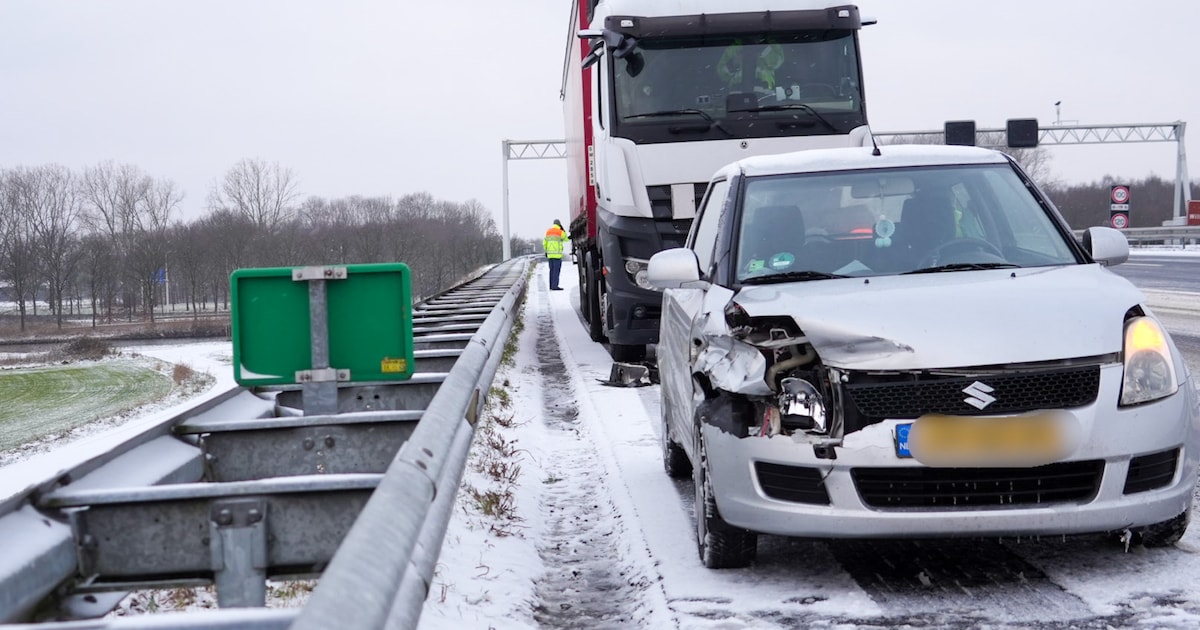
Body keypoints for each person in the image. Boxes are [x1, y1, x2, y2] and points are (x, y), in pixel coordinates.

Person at [543, 219, 569, 290]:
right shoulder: (560, 232)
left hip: (550, 255)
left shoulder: (548, 231)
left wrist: (546, 251)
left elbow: (544, 243)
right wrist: (563, 230)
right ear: (559, 224)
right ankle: (555, 286)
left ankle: (551, 286)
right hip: (557, 255)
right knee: (556, 271)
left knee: (551, 271)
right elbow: (566, 239)